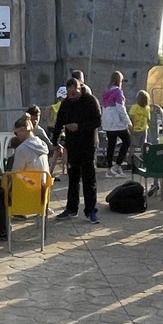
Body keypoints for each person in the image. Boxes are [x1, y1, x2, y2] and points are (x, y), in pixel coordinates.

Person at [55, 77, 102, 223]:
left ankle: (90, 211)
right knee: (73, 179)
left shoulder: (90, 101)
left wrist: (79, 126)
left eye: (74, 93)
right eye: (69, 94)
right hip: (72, 145)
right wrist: (54, 141)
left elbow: (97, 121)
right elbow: (59, 123)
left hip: (87, 145)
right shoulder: (66, 104)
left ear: (79, 89)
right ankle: (71, 209)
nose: (71, 97)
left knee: (89, 179)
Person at [100, 72, 132, 169]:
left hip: (107, 123)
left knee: (111, 144)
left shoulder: (106, 92)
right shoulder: (118, 92)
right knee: (127, 141)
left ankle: (110, 166)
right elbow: (121, 109)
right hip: (117, 122)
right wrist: (128, 122)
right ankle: (118, 164)